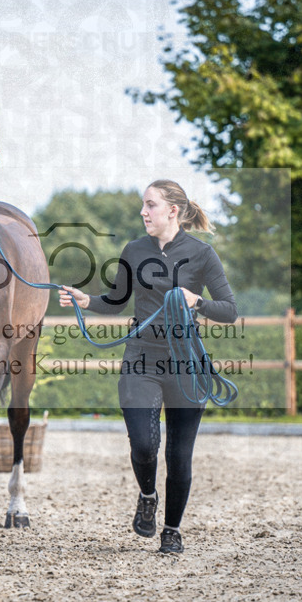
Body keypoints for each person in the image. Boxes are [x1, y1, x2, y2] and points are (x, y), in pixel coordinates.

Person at [59, 180, 238, 554]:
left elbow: (230, 310)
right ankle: (147, 494)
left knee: (178, 455)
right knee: (143, 444)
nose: (144, 212)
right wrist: (86, 300)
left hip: (186, 362)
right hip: (141, 357)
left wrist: (197, 301)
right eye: (144, 205)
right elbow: (116, 300)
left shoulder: (202, 254)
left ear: (173, 211)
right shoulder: (134, 251)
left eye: (151, 205)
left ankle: (171, 530)